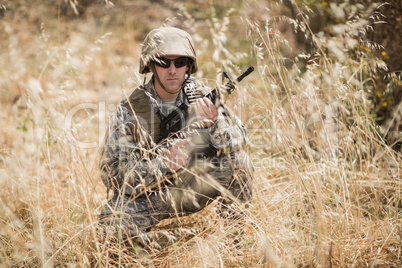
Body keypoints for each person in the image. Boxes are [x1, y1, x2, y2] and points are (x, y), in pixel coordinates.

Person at [99, 26, 253, 248]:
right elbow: (111, 175)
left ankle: (233, 241)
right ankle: (189, 242)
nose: (172, 70)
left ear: (188, 66)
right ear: (151, 65)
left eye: (180, 62)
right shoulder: (131, 110)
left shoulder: (200, 96)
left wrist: (214, 122)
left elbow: (238, 143)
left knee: (240, 164)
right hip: (150, 196)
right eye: (163, 62)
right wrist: (163, 164)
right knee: (110, 225)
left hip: (195, 184)